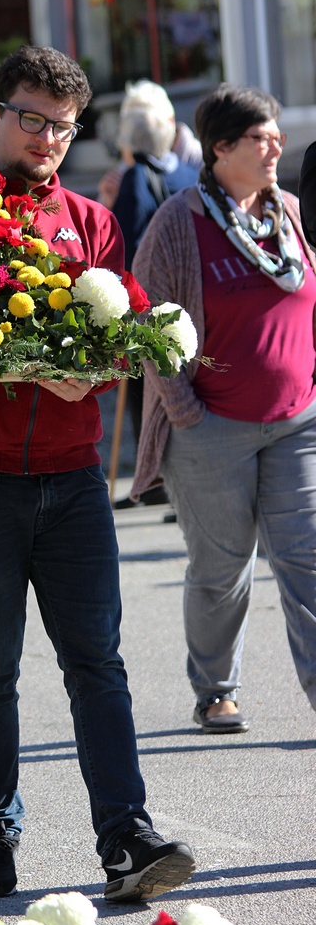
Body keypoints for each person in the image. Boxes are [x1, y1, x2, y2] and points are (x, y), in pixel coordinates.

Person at [0, 45, 195, 902]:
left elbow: (121, 337)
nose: (49, 139)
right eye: (32, 119)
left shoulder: (91, 222)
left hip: (71, 480)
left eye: (64, 127)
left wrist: (98, 375)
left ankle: (127, 840)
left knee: (97, 664)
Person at [131, 83, 316, 733]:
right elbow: (146, 321)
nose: (276, 148)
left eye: (277, 136)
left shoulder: (291, 211)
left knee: (308, 557)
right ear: (221, 148)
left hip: (299, 422)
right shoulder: (180, 222)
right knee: (223, 570)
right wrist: (185, 412)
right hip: (212, 429)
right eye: (262, 138)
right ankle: (215, 689)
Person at [108, 86, 199, 510]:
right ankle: (170, 483)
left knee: (147, 388)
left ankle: (154, 479)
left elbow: (122, 236)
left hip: (146, 297)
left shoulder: (133, 177)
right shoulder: (187, 174)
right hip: (186, 294)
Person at [97, 79, 202, 212]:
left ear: (170, 122)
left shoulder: (202, 162)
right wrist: (109, 206)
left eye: (144, 132)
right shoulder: (126, 172)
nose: (137, 148)